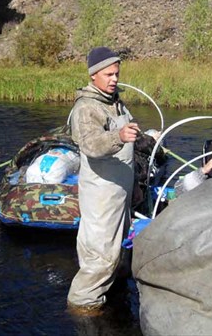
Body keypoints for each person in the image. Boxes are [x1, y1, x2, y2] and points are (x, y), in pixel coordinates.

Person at [67, 46, 140, 314]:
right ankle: (82, 306)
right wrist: (118, 137)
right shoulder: (86, 107)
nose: (114, 79)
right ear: (94, 75)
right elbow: (91, 145)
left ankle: (112, 286)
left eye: (116, 74)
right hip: (101, 194)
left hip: (119, 191)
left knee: (116, 249)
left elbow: (125, 131)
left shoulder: (115, 101)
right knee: (100, 256)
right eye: (108, 74)